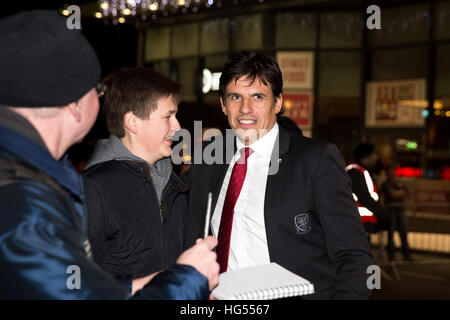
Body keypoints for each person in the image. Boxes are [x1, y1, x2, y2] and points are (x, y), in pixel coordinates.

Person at [0, 10, 219, 299]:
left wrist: (150, 282)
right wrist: (190, 279)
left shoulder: (29, 179)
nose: (101, 98)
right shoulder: (26, 207)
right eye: (97, 88)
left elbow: (82, 288)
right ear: (75, 104)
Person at [183, 52, 374, 299]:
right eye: (235, 97)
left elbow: (354, 257)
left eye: (258, 97)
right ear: (222, 104)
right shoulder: (209, 158)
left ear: (278, 102)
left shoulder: (314, 160)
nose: (245, 109)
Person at [82, 67, 190, 285]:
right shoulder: (93, 187)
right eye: (168, 116)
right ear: (132, 122)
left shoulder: (175, 185)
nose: (177, 127)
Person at [345, 143, 394, 259]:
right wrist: (384, 215)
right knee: (358, 260)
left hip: (359, 224)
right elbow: (365, 198)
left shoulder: (358, 171)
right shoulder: (355, 172)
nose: (376, 157)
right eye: (374, 154)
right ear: (365, 156)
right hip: (357, 224)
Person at [381, 166, 413, 261]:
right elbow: (393, 194)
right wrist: (400, 193)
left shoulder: (399, 183)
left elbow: (408, 193)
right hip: (391, 212)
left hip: (399, 210)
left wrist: (398, 193)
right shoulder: (385, 184)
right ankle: (391, 255)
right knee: (391, 234)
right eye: (390, 173)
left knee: (403, 233)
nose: (392, 175)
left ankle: (406, 254)